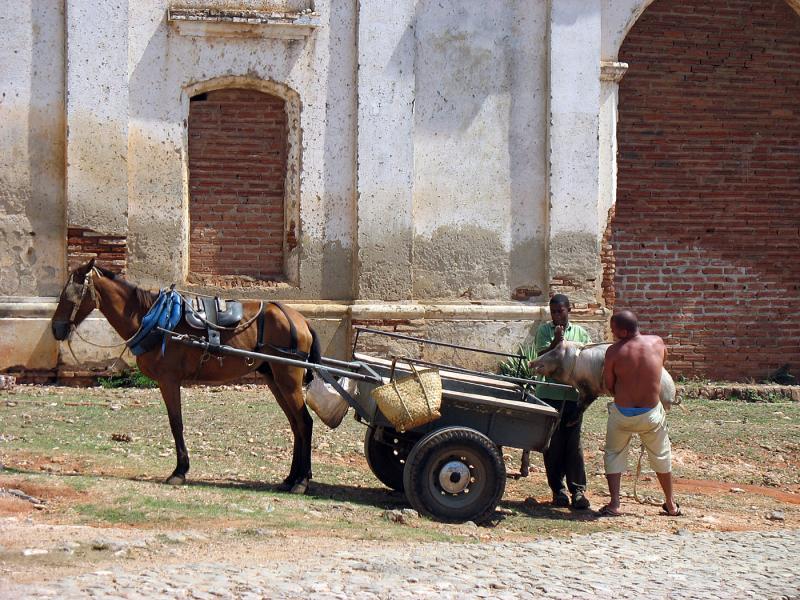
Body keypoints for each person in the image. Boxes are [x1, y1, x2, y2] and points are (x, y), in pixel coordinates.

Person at [599, 310, 680, 517]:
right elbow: (661, 365)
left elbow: (609, 386)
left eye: (613, 328)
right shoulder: (657, 343)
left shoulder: (614, 352)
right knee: (661, 454)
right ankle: (671, 504)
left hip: (623, 415)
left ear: (623, 331)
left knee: (613, 453)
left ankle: (615, 503)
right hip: (651, 415)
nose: (611, 332)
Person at [534, 294, 592, 509]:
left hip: (573, 397)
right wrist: (556, 342)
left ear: (569, 310)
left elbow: (586, 362)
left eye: (560, 311)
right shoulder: (544, 331)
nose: (557, 315)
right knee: (552, 445)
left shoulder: (580, 333)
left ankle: (578, 491)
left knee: (573, 445)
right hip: (550, 395)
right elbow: (541, 359)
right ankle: (558, 491)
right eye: (553, 312)